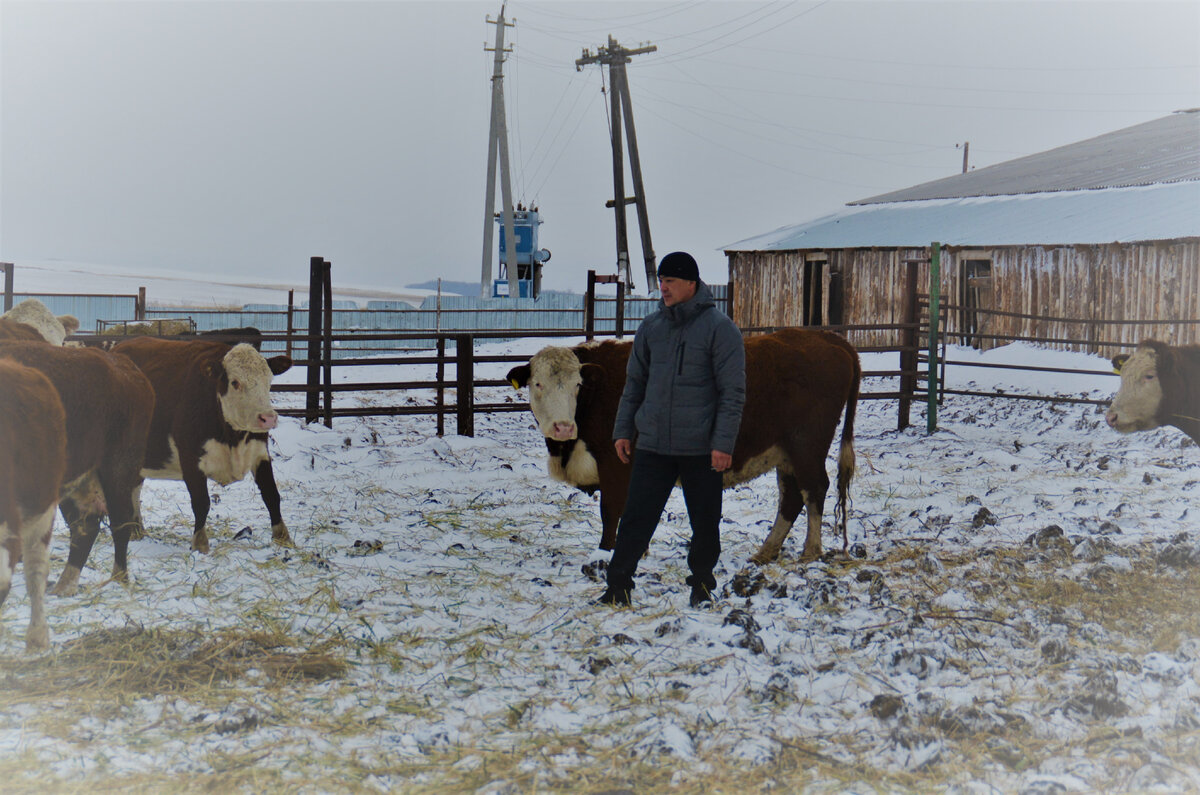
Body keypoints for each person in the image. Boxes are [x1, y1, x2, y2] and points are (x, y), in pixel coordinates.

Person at [597, 251, 746, 608]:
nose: (663, 288)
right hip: (653, 445)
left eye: (671, 281)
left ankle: (702, 585)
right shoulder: (651, 328)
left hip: (699, 447)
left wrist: (722, 444)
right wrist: (622, 431)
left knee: (705, 521)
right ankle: (618, 586)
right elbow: (634, 384)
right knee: (635, 517)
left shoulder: (720, 329)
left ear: (692, 284)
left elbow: (732, 393)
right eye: (661, 281)